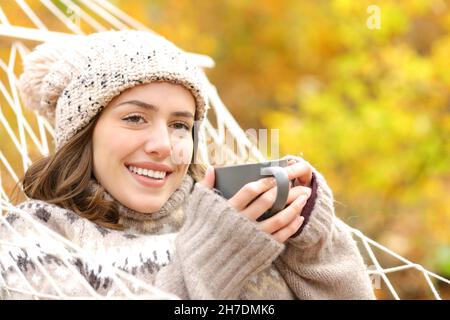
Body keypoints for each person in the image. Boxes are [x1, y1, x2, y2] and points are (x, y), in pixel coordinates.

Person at [0, 30, 375, 299]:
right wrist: (213, 257)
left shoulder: (236, 216)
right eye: (135, 118)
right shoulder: (29, 238)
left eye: (180, 125)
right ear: (84, 133)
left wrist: (315, 241)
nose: (164, 146)